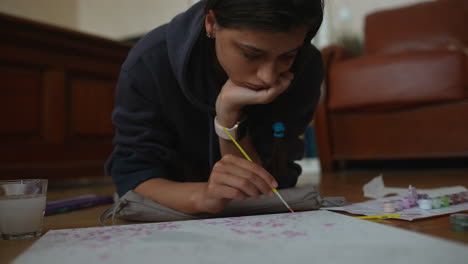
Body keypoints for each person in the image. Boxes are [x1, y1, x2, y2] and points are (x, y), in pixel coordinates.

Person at [105, 0, 324, 215]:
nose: (268, 77)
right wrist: (203, 196)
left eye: (287, 56)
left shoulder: (305, 66)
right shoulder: (149, 63)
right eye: (252, 54)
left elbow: (273, 183)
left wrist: (229, 120)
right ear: (211, 22)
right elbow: (133, 175)